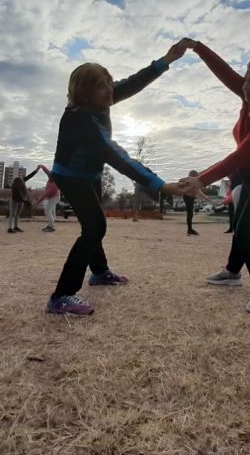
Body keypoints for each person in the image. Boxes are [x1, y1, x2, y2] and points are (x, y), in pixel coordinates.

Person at [46, 42, 186, 316]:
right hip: (71, 177)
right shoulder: (81, 121)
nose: (110, 89)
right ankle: (61, 295)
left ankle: (99, 272)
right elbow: (118, 156)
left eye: (109, 83)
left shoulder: (101, 100)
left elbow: (133, 83)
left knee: (95, 225)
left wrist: (166, 60)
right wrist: (161, 185)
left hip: (91, 174)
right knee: (95, 228)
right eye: (101, 86)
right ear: (85, 93)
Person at [177, 38, 250, 315]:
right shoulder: (248, 98)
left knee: (247, 232)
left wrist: (201, 179)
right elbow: (225, 73)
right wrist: (198, 47)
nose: (245, 85)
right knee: (241, 227)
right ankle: (232, 272)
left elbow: (240, 156)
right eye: (246, 80)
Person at [8, 167, 41, 233]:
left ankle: (15, 226)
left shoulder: (21, 181)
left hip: (21, 200)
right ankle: (10, 228)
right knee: (12, 214)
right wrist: (26, 201)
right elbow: (18, 196)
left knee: (17, 214)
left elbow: (29, 176)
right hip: (15, 200)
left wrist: (36, 170)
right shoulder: (16, 186)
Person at [35, 164, 60, 233]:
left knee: (47, 211)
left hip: (55, 197)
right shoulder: (51, 176)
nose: (49, 177)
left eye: (50, 177)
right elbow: (44, 168)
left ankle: (51, 227)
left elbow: (44, 195)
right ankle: (50, 225)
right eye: (49, 176)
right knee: (50, 211)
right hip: (53, 196)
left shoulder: (53, 186)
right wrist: (40, 167)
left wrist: (37, 203)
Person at [184, 170, 199, 236]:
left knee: (190, 214)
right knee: (190, 214)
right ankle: (189, 230)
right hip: (188, 197)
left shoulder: (192, 181)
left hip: (190, 198)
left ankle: (190, 229)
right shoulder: (188, 181)